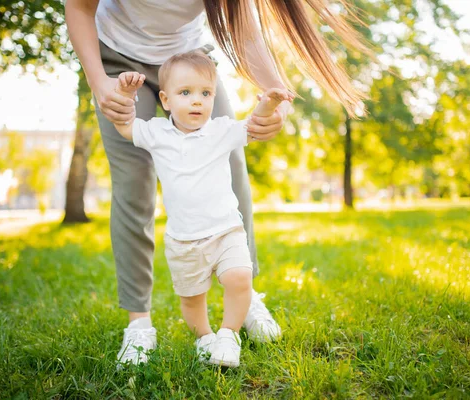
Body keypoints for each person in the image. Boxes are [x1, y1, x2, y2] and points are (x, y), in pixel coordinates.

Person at [64, 0, 367, 366]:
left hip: (190, 61)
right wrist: (100, 84)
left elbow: (244, 29)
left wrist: (277, 96)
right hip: (118, 58)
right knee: (134, 184)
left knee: (231, 162)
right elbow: (79, 8)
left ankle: (246, 293)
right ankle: (139, 322)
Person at [113, 50, 292, 367]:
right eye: (186, 93)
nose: (197, 101)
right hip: (184, 240)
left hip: (226, 230)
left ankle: (228, 335)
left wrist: (269, 102)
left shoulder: (221, 130)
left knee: (240, 277)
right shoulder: (155, 133)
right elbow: (125, 127)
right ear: (165, 100)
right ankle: (205, 337)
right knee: (192, 301)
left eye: (205, 93)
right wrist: (125, 95)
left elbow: (253, 125)